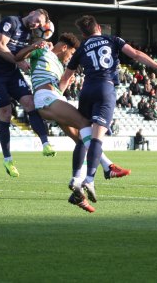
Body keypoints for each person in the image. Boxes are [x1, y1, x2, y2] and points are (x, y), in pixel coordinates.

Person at [15, 33, 131, 212]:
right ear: (64, 48)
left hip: (52, 99)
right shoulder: (43, 52)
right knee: (85, 123)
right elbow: (18, 57)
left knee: (81, 142)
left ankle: (77, 192)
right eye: (70, 54)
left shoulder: (60, 67)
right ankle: (107, 166)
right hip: (45, 98)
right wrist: (33, 46)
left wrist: (65, 83)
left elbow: (57, 89)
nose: (70, 58)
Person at [62, 15, 157, 204]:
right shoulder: (112, 40)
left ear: (84, 33)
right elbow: (135, 54)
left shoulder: (81, 48)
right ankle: (89, 180)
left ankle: (76, 178)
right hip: (105, 88)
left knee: (83, 135)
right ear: (99, 28)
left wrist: (54, 100)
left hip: (87, 90)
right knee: (96, 137)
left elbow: (66, 77)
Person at [0, 8, 56, 178]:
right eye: (37, 19)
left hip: (12, 73)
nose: (36, 24)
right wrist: (20, 62)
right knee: (6, 113)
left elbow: (24, 53)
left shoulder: (29, 35)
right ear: (33, 12)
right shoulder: (11, 21)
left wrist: (42, 47)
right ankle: (8, 159)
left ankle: (46, 143)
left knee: (30, 103)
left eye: (39, 23)